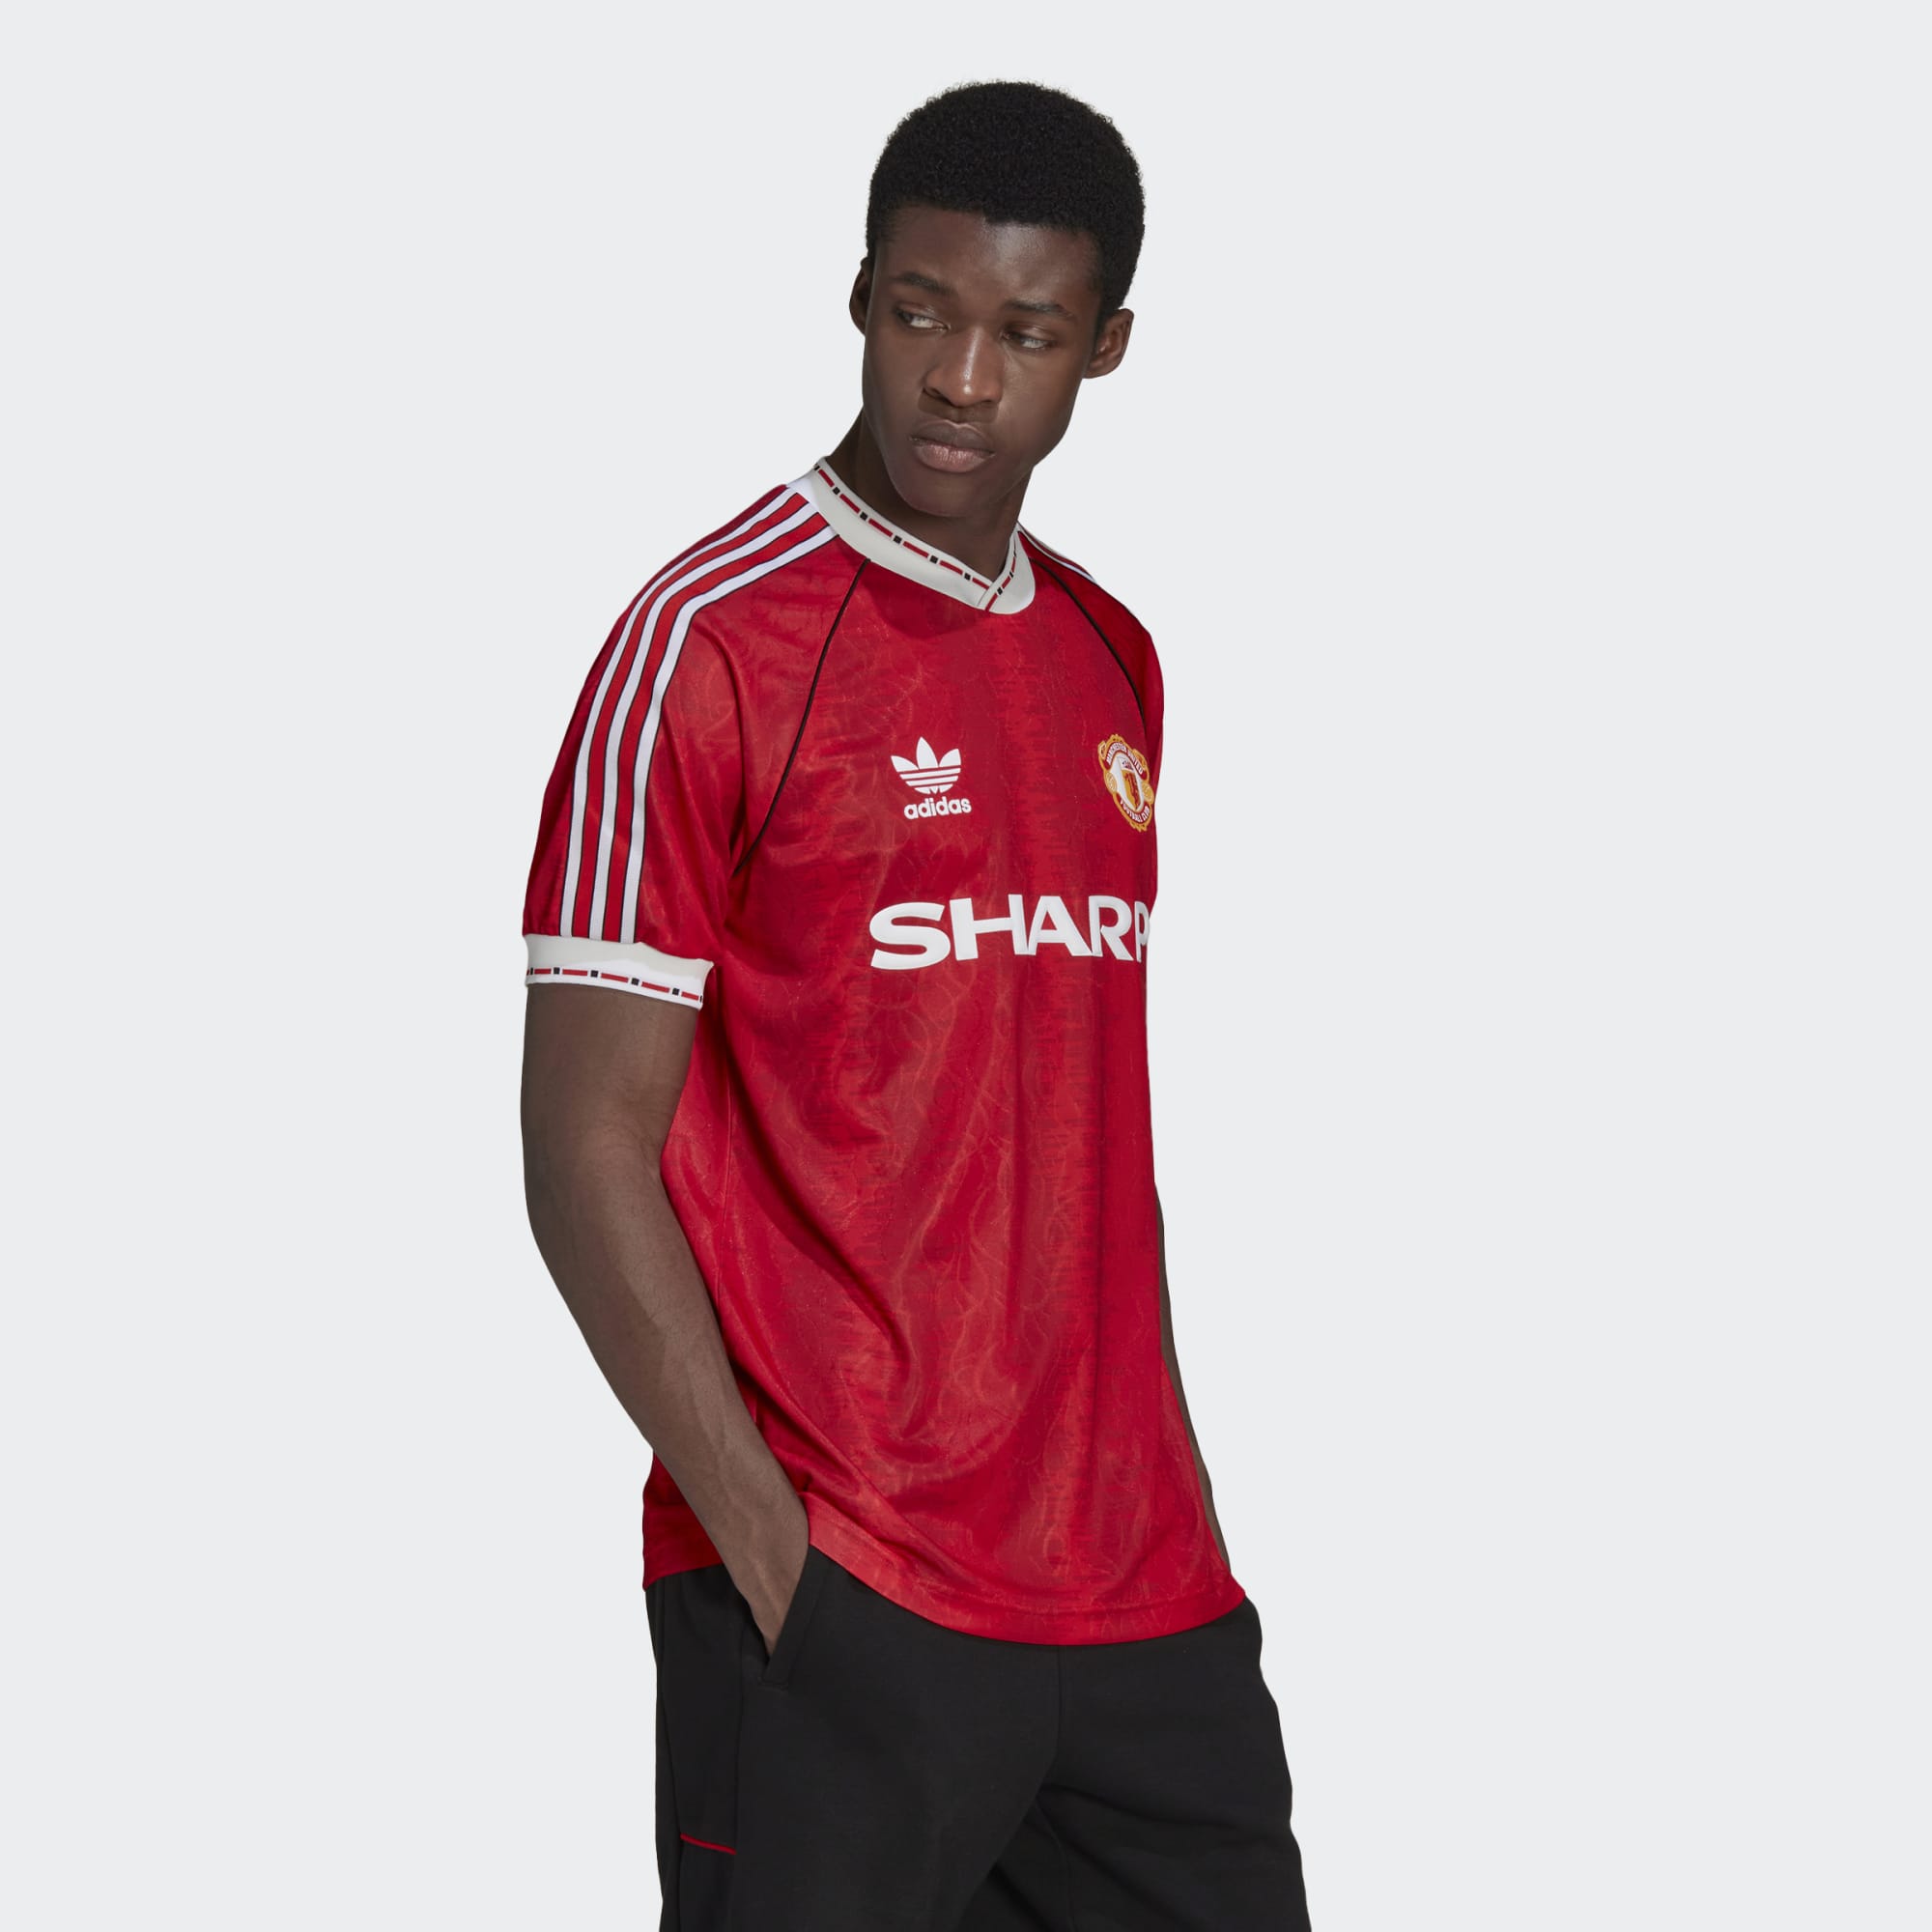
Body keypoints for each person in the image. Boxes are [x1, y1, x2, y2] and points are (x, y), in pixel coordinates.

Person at [519, 77, 1314, 1931]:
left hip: (1145, 1604)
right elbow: (581, 1148)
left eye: (1024, 333)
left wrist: (1180, 1506)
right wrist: (780, 1560)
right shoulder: (708, 644)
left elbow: (1073, 1133)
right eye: (918, 311)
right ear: (859, 297)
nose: (959, 379)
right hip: (845, 1589)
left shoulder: (1111, 657)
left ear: (1104, 347)